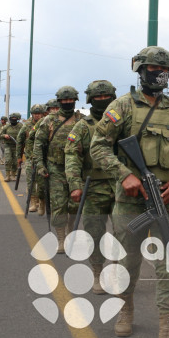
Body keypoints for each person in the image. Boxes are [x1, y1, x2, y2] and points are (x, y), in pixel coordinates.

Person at [90, 46, 169, 338]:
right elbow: (99, 147)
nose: (158, 75)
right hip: (131, 201)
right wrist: (124, 175)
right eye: (152, 69)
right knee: (128, 262)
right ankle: (125, 307)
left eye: (164, 70)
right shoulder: (122, 106)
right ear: (140, 71)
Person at [65, 80, 117, 293]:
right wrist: (75, 185)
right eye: (98, 98)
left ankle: (116, 272)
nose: (103, 101)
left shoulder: (122, 123)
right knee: (95, 233)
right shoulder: (83, 126)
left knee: (124, 233)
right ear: (90, 100)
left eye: (106, 97)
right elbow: (72, 156)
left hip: (121, 185)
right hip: (92, 187)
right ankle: (97, 273)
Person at [34, 87, 85, 252]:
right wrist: (40, 165)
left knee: (74, 206)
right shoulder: (48, 121)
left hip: (77, 170)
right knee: (58, 205)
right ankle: (62, 240)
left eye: (71, 100)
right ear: (59, 101)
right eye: (64, 100)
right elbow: (38, 144)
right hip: (55, 169)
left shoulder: (81, 120)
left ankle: (72, 235)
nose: (68, 103)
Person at [17, 104, 47, 213]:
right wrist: (19, 157)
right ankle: (34, 203)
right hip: (30, 158)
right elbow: (20, 142)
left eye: (39, 114)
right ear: (32, 114)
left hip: (43, 159)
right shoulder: (26, 126)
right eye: (35, 114)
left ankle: (42, 202)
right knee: (31, 181)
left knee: (42, 183)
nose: (37, 116)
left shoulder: (46, 123)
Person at [0, 113, 24, 181]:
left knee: (15, 161)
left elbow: (25, 134)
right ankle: (7, 175)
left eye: (15, 119)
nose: (13, 120)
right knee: (8, 160)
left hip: (17, 146)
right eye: (12, 118)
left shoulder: (20, 126)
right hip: (8, 145)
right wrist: (4, 136)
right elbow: (0, 134)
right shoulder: (6, 127)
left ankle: (13, 174)